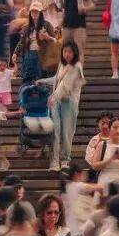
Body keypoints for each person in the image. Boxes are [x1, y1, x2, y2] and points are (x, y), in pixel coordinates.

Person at [42, 41, 86, 171]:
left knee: (66, 132)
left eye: (70, 52)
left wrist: (54, 97)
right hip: (57, 101)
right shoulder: (62, 64)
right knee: (55, 130)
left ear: (75, 53)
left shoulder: (77, 66)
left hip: (69, 102)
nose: (67, 54)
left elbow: (66, 86)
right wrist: (41, 81)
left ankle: (65, 159)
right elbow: (57, 79)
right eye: (65, 51)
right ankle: (54, 161)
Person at [14, 0, 57, 84]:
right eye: (32, 11)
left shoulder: (47, 25)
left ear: (40, 13)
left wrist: (47, 37)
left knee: (40, 79)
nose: (34, 13)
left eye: (36, 11)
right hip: (29, 55)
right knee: (28, 79)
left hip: (42, 55)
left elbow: (55, 41)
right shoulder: (26, 27)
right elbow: (22, 41)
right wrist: (15, 53)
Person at [58, 0, 94, 64]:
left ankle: (79, 71)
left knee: (79, 50)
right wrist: (61, 22)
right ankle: (65, 70)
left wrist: (84, 8)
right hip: (67, 26)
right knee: (64, 50)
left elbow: (92, 5)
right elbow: (65, 9)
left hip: (79, 26)